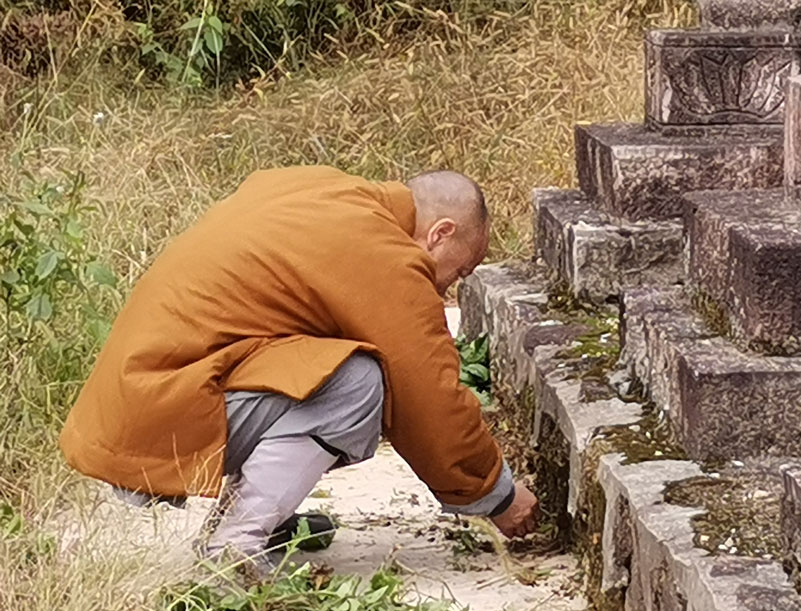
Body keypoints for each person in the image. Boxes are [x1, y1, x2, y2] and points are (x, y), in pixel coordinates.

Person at [59, 166, 540, 568]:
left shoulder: (322, 192)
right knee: (357, 385)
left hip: (139, 399)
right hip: (159, 413)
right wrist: (496, 494)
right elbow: (428, 397)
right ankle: (235, 547)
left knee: (329, 352)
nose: (450, 288)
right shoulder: (383, 255)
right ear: (440, 234)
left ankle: (262, 512)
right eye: (460, 271)